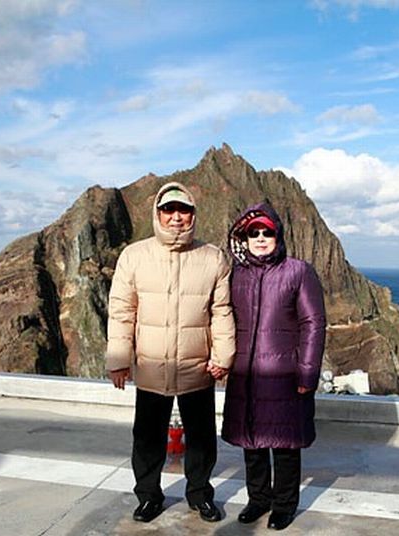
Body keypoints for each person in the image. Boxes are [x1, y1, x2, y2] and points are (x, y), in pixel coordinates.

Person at [105, 182, 235, 524]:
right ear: (158, 214)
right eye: (169, 210)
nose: (176, 217)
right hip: (151, 365)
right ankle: (148, 496)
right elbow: (121, 311)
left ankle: (200, 495)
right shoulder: (134, 256)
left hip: (198, 365)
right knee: (147, 437)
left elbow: (221, 311)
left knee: (202, 438)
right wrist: (118, 359)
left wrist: (223, 357)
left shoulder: (213, 257)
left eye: (183, 210)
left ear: (193, 214)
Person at [221, 203, 326, 531]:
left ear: (277, 235)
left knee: (284, 444)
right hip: (246, 373)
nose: (261, 238)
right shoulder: (236, 273)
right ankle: (258, 499)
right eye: (253, 233)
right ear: (243, 238)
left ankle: (284, 505)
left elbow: (313, 324)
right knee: (251, 441)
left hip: (285, 374)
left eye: (267, 232)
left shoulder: (298, 271)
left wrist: (307, 372)